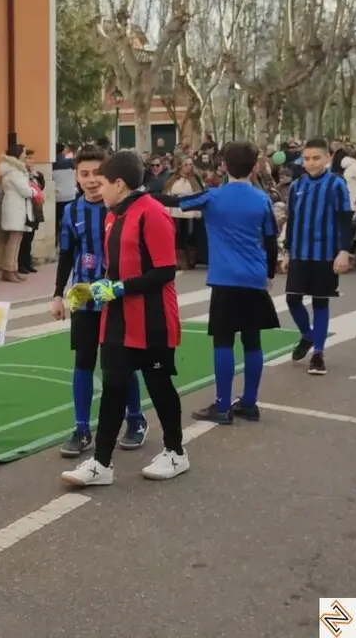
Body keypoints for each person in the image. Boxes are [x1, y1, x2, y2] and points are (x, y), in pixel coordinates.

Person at [60, 150, 188, 488]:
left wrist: (117, 288)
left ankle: (176, 452)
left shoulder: (154, 214)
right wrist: (94, 288)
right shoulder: (112, 216)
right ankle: (101, 463)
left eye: (101, 183)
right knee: (113, 386)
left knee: (159, 386)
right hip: (116, 318)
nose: (96, 189)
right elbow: (116, 269)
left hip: (154, 319)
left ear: (119, 183)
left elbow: (165, 271)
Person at [154, 142, 279, 424]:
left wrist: (141, 195)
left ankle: (222, 405)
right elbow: (270, 242)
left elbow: (174, 203)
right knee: (252, 340)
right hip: (254, 278)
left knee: (223, 341)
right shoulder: (262, 200)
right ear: (255, 167)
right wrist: (268, 274)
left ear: (224, 167)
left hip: (225, 279)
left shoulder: (212, 197)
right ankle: (249, 402)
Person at [51, 146, 146, 456]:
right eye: (84, 174)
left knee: (120, 364)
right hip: (83, 298)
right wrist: (57, 295)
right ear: (76, 177)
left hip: (115, 297)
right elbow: (66, 254)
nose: (91, 181)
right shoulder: (71, 211)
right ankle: (81, 429)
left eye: (97, 174)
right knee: (83, 361)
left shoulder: (121, 207)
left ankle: (135, 419)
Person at [281, 138, 353, 376]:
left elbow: (345, 219)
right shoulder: (296, 185)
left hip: (326, 254)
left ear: (327, 158)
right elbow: (292, 220)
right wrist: (287, 251)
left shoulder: (336, 184)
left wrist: (344, 251)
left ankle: (319, 354)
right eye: (307, 158)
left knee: (320, 301)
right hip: (300, 252)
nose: (310, 163)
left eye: (316, 158)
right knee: (292, 299)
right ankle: (307, 335)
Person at [0, 145, 33, 283]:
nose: (25, 155)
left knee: (16, 241)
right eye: (23, 152)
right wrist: (34, 192)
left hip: (17, 207)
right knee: (13, 241)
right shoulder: (14, 171)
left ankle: (13, 269)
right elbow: (24, 190)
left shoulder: (16, 169)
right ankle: (8, 269)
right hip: (15, 207)